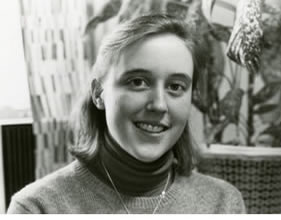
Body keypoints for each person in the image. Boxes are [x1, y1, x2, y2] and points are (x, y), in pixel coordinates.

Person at [7, 14, 246, 214]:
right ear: (99, 93)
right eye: (138, 82)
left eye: (175, 86)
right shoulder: (37, 208)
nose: (159, 105)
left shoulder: (223, 204)